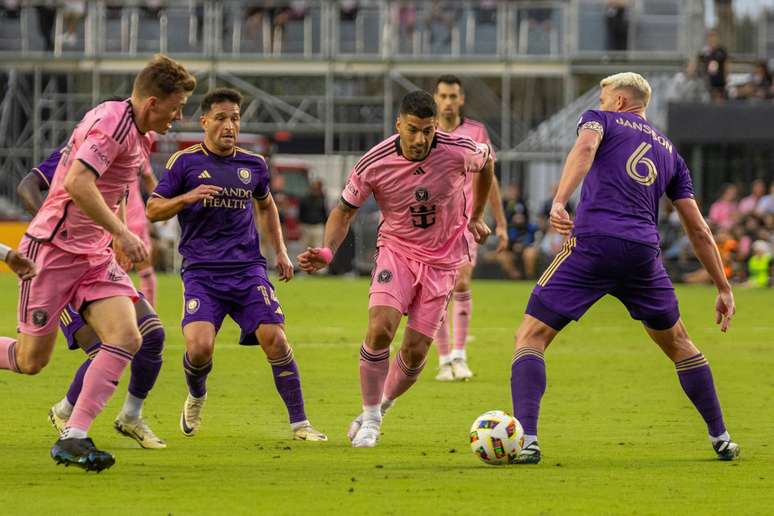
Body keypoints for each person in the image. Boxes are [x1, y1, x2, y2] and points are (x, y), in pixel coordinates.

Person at [509, 72, 739, 464]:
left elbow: (584, 149)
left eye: (603, 96)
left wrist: (560, 200)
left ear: (618, 101)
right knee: (679, 343)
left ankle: (527, 439)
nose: (598, 103)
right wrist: (723, 286)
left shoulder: (601, 120)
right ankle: (721, 437)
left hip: (594, 243)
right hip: (643, 255)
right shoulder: (671, 153)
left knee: (531, 335)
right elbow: (697, 227)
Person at [0, 54, 196, 472]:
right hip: (52, 252)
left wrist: (118, 233)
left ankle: (73, 435)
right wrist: (124, 233)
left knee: (129, 337)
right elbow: (77, 182)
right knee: (30, 360)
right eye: (176, 107)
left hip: (93, 256)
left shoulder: (136, 132)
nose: (179, 116)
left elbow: (115, 189)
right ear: (151, 103)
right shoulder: (113, 126)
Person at [298, 90, 494, 448]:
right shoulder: (373, 162)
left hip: (443, 260)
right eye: (414, 130)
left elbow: (487, 162)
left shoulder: (458, 149)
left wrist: (477, 215)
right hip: (396, 252)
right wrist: (328, 250)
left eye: (428, 131)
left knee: (416, 351)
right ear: (399, 125)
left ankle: (381, 407)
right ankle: (370, 418)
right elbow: (343, 211)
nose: (421, 139)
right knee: (380, 328)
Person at [146, 87, 327, 442]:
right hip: (202, 272)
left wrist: (281, 252)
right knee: (199, 349)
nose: (230, 126)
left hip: (247, 270)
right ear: (204, 122)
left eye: (235, 119)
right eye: (221, 118)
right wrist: (186, 198)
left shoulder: (253, 165)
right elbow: (153, 209)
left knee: (275, 339)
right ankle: (197, 394)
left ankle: (300, 424)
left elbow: (266, 205)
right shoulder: (184, 164)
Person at [17, 145, 167, 450]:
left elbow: (121, 197)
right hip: (58, 262)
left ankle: (129, 416)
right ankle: (67, 414)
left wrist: (119, 234)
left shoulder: (133, 153)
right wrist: (54, 229)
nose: (174, 119)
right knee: (39, 359)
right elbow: (27, 185)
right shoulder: (88, 148)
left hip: (98, 262)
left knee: (150, 334)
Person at [431, 74, 507, 381]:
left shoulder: (476, 131)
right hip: (431, 223)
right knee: (437, 290)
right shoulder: (426, 131)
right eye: (443, 96)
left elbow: (489, 177)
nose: (448, 102)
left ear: (461, 99)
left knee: (461, 283)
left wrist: (500, 222)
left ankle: (459, 356)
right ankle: (444, 359)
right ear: (435, 98)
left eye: (453, 96)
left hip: (464, 221)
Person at [699, 29, 729, 102]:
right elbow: (701, 65)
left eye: (713, 36)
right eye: (710, 37)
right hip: (708, 85)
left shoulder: (721, 51)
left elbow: (726, 66)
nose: (711, 39)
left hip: (719, 85)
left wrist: (726, 80)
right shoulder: (705, 52)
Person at [298, 179, 327, 251]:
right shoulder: (305, 198)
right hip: (306, 226)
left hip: (318, 226)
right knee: (304, 250)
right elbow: (301, 212)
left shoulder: (322, 199)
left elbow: (325, 213)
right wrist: (301, 225)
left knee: (317, 250)